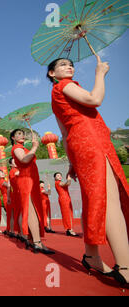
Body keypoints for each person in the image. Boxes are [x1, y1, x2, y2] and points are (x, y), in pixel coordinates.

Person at [48, 56, 129, 284]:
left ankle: (92, 255)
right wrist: (100, 73)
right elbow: (94, 99)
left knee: (94, 198)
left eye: (70, 63)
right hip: (90, 141)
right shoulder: (65, 86)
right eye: (62, 64)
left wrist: (73, 161)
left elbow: (64, 134)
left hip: (81, 144)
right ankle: (125, 266)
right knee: (109, 201)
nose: (69, 66)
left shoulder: (56, 96)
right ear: (52, 74)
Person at [11, 129, 54, 254]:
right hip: (26, 180)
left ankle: (32, 239)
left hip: (32, 179)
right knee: (31, 210)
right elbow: (24, 160)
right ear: (13, 138)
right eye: (18, 134)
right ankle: (37, 242)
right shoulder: (17, 148)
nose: (22, 135)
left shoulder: (23, 148)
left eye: (23, 134)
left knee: (34, 209)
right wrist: (34, 147)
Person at [54, 172, 78, 237]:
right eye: (57, 175)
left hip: (67, 198)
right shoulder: (57, 183)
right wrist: (69, 178)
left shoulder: (60, 182)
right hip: (63, 199)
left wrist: (69, 178)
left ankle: (69, 229)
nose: (59, 176)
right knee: (67, 214)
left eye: (60, 175)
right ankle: (70, 229)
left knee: (69, 213)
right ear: (55, 178)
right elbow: (66, 183)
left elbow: (68, 183)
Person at [8, 158, 20, 238]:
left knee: (15, 214)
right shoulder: (14, 171)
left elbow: (9, 186)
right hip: (17, 194)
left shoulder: (14, 171)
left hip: (13, 194)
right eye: (14, 162)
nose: (16, 163)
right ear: (11, 165)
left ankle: (17, 231)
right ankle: (21, 232)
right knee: (19, 213)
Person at [0, 170, 11, 234]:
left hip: (8, 196)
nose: (2, 174)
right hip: (6, 197)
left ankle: (9, 229)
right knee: (9, 214)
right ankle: (8, 229)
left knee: (10, 214)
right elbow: (8, 185)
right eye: (0, 173)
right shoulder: (1, 181)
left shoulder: (4, 180)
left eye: (2, 172)